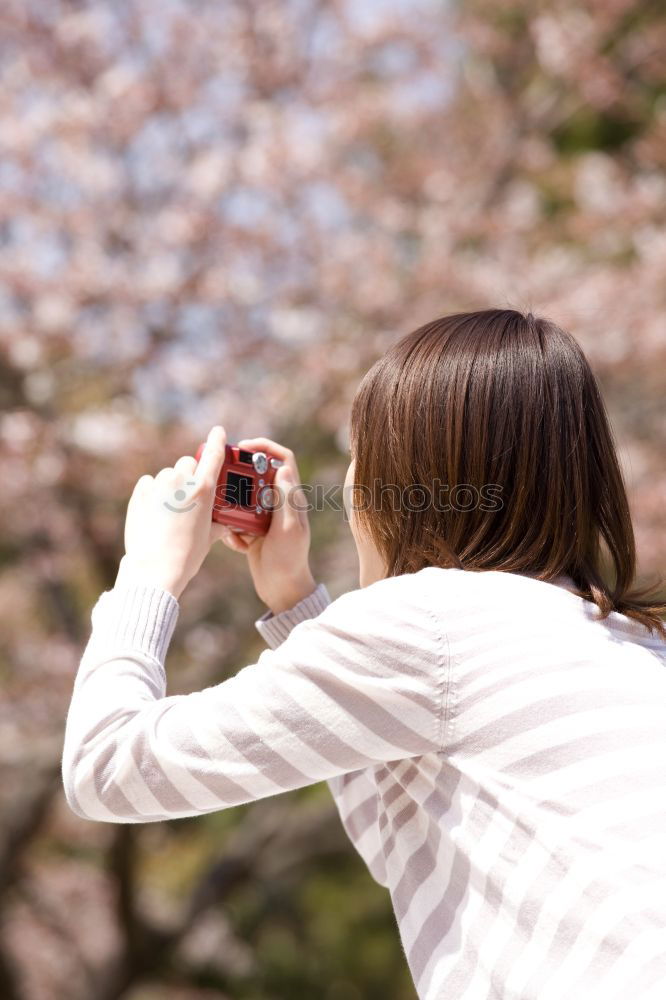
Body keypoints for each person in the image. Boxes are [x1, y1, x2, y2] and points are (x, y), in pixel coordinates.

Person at [61, 308, 666, 999]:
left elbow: (104, 768)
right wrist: (293, 599)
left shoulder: (434, 617)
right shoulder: (632, 642)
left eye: (359, 456)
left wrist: (147, 574)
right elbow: (406, 841)